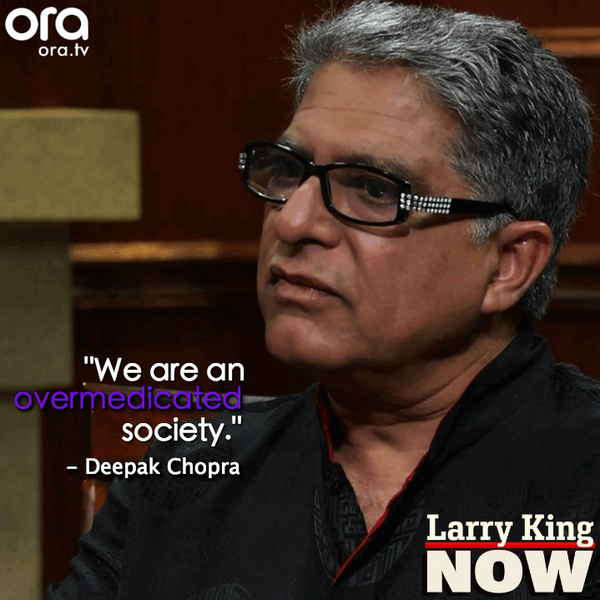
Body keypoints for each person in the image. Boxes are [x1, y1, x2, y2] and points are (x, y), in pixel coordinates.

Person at [49, 1, 600, 598]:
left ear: (508, 263)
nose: (294, 222)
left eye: (373, 189)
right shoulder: (183, 474)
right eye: (287, 171)